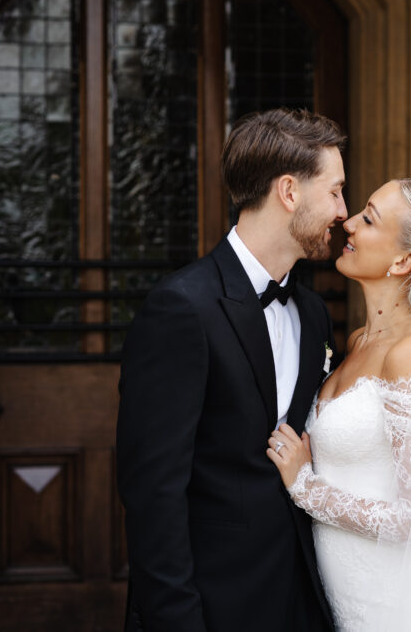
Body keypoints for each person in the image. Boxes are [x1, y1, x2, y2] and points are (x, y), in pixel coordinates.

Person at [116, 108, 347, 632]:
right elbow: (153, 493)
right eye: (334, 191)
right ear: (290, 191)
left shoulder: (312, 314)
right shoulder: (182, 307)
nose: (343, 210)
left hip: (303, 600)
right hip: (214, 607)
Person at [267, 178, 411, 631]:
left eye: (369, 219)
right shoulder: (357, 340)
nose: (349, 223)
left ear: (403, 260)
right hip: (336, 594)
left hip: (389, 604)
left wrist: (307, 488)